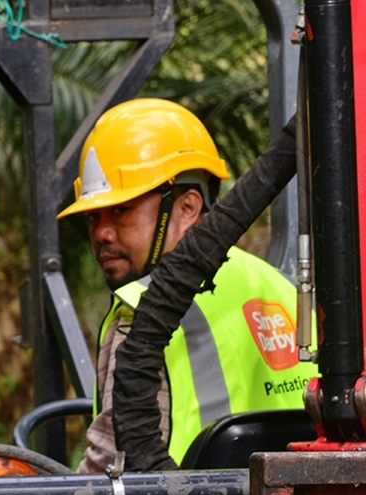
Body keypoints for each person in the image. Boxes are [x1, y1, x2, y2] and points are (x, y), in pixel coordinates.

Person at [56, 98, 318, 474]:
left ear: (188, 207)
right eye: (93, 217)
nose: (102, 233)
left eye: (121, 210)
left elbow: (107, 476)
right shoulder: (282, 289)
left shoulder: (140, 313)